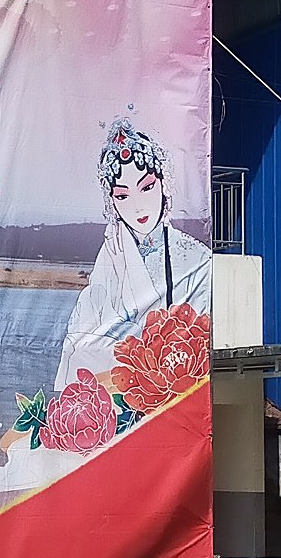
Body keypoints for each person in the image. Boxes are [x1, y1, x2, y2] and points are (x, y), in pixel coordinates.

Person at [54, 117, 209, 389]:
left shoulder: (195, 257)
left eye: (147, 187)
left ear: (163, 185)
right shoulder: (111, 254)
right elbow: (83, 338)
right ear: (112, 201)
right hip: (119, 384)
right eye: (123, 196)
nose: (138, 206)